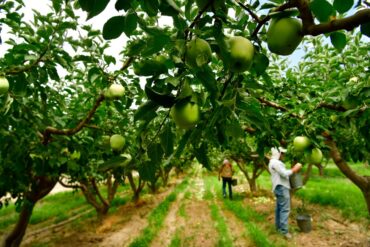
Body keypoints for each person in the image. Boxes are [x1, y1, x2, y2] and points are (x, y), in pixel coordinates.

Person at [268, 147, 302, 239]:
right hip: (282, 188)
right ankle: (284, 232)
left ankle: (279, 228)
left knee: (279, 208)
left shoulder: (272, 162)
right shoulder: (276, 163)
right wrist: (295, 169)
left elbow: (282, 173)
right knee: (285, 209)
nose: (284, 155)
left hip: (278, 187)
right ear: (277, 154)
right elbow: (284, 173)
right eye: (282, 153)